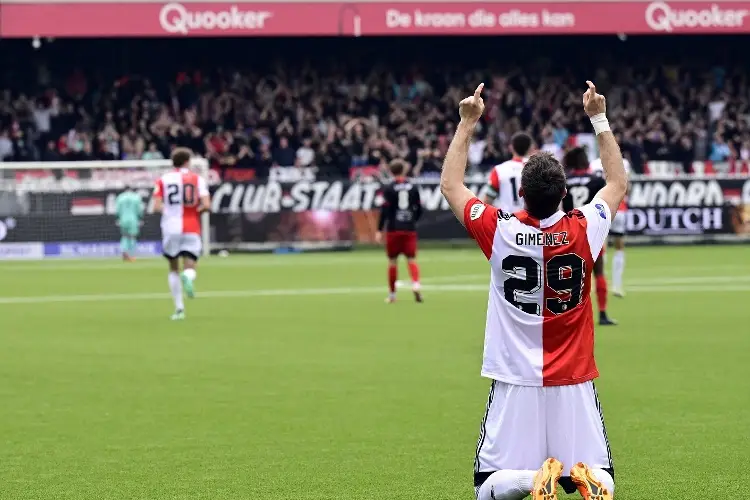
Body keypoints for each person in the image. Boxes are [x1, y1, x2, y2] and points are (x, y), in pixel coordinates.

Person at [440, 81, 627, 500]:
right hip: (574, 377)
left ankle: (530, 482)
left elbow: (451, 185)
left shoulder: (500, 230)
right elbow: (616, 183)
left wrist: (467, 122)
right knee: (599, 470)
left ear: (521, 194)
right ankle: (586, 480)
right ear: (565, 194)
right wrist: (598, 117)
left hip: (515, 378)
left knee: (487, 486)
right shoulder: (585, 226)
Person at [152, 147, 211, 320]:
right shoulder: (197, 179)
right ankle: (189, 276)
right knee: (191, 263)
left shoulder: (163, 180)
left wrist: (170, 212)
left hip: (170, 227)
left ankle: (179, 309)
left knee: (172, 267)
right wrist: (194, 212)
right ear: (188, 161)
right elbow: (206, 205)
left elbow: (156, 206)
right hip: (191, 226)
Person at [562, 147, 617, 326]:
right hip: (591, 230)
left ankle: (568, 314)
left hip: (570, 231)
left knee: (569, 275)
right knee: (598, 271)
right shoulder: (596, 181)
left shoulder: (566, 181)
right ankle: (602, 313)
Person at [375, 159, 423, 303]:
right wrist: (413, 220)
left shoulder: (389, 188)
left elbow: (384, 210)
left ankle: (392, 296)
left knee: (392, 261)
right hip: (409, 228)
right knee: (411, 259)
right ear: (403, 170)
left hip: (393, 228)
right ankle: (415, 283)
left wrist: (379, 229)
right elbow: (419, 208)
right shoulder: (413, 187)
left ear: (391, 171)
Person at [590, 157, 629, 297]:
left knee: (601, 247)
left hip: (601, 208)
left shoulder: (593, 164)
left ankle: (598, 283)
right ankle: (617, 286)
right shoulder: (622, 162)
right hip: (619, 208)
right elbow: (626, 187)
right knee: (619, 246)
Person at [481, 132, 533, 212]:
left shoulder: (499, 170)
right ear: (530, 148)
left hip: (507, 220)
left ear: (511, 148)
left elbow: (487, 201)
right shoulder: (537, 168)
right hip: (531, 221)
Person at [115, 184, 144, 262]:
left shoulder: (120, 197)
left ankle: (124, 252)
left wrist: (118, 218)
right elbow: (140, 210)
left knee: (125, 236)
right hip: (133, 219)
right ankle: (131, 255)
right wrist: (140, 218)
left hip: (123, 219)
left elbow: (117, 210)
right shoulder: (136, 197)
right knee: (132, 237)